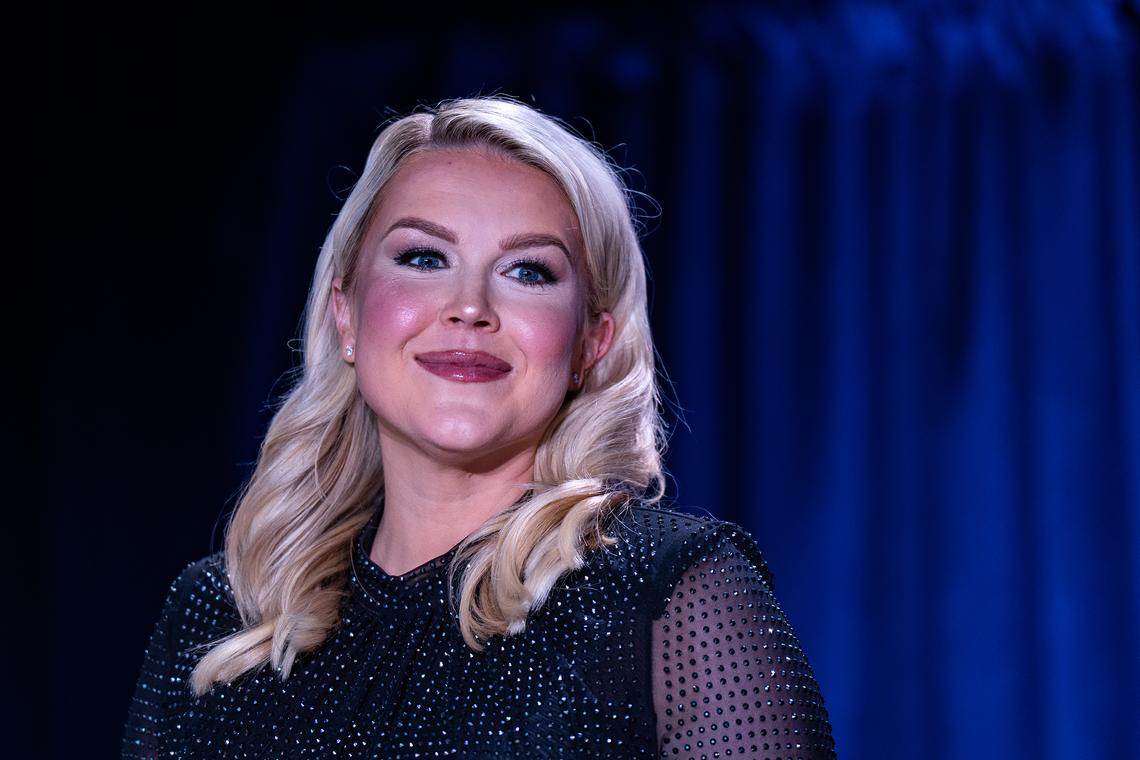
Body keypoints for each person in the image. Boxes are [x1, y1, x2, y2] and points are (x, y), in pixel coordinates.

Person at [122, 96, 836, 759]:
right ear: (346, 314)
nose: (469, 307)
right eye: (423, 259)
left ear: (590, 342)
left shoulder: (669, 594)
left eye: (527, 272)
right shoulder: (217, 614)